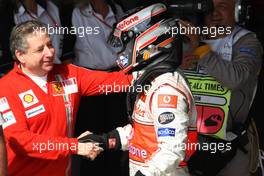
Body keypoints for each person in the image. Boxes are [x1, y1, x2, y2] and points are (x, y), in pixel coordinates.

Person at [78, 3, 198, 176]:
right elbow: (144, 133)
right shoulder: (152, 80)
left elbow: (172, 151)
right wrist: (106, 140)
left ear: (149, 42)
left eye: (128, 43)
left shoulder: (166, 90)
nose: (121, 52)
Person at [0, 20, 132, 176]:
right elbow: (21, 141)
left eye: (50, 45)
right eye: (40, 49)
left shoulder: (68, 73)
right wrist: (74, 146)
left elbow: (117, 81)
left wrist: (151, 73)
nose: (49, 53)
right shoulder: (6, 88)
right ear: (20, 55)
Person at [178, 0, 263, 175]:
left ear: (238, 11)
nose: (214, 13)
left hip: (231, 144)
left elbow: (236, 78)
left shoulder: (247, 41)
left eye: (222, 7)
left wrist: (200, 49)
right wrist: (177, 67)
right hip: (189, 141)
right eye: (209, 7)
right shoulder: (188, 37)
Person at [72, 0, 124, 71]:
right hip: (90, 75)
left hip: (120, 70)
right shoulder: (75, 13)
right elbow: (66, 57)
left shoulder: (117, 8)